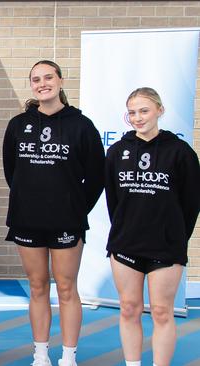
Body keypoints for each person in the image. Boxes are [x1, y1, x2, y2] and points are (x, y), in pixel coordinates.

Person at [2, 60, 105, 366]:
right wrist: (30, 198)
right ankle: (41, 354)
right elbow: (13, 172)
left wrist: (73, 208)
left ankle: (69, 356)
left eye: (48, 77)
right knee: (36, 286)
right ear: (31, 84)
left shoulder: (81, 125)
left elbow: (96, 177)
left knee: (65, 287)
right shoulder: (18, 125)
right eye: (36, 79)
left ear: (60, 81)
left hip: (66, 222)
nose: (42, 83)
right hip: (27, 220)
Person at [105, 87, 200, 366]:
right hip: (125, 244)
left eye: (144, 110)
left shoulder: (180, 152)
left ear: (160, 110)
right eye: (132, 112)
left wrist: (176, 237)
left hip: (165, 246)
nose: (137, 118)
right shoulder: (117, 151)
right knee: (129, 309)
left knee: (161, 311)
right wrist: (125, 227)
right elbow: (114, 199)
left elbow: (191, 202)